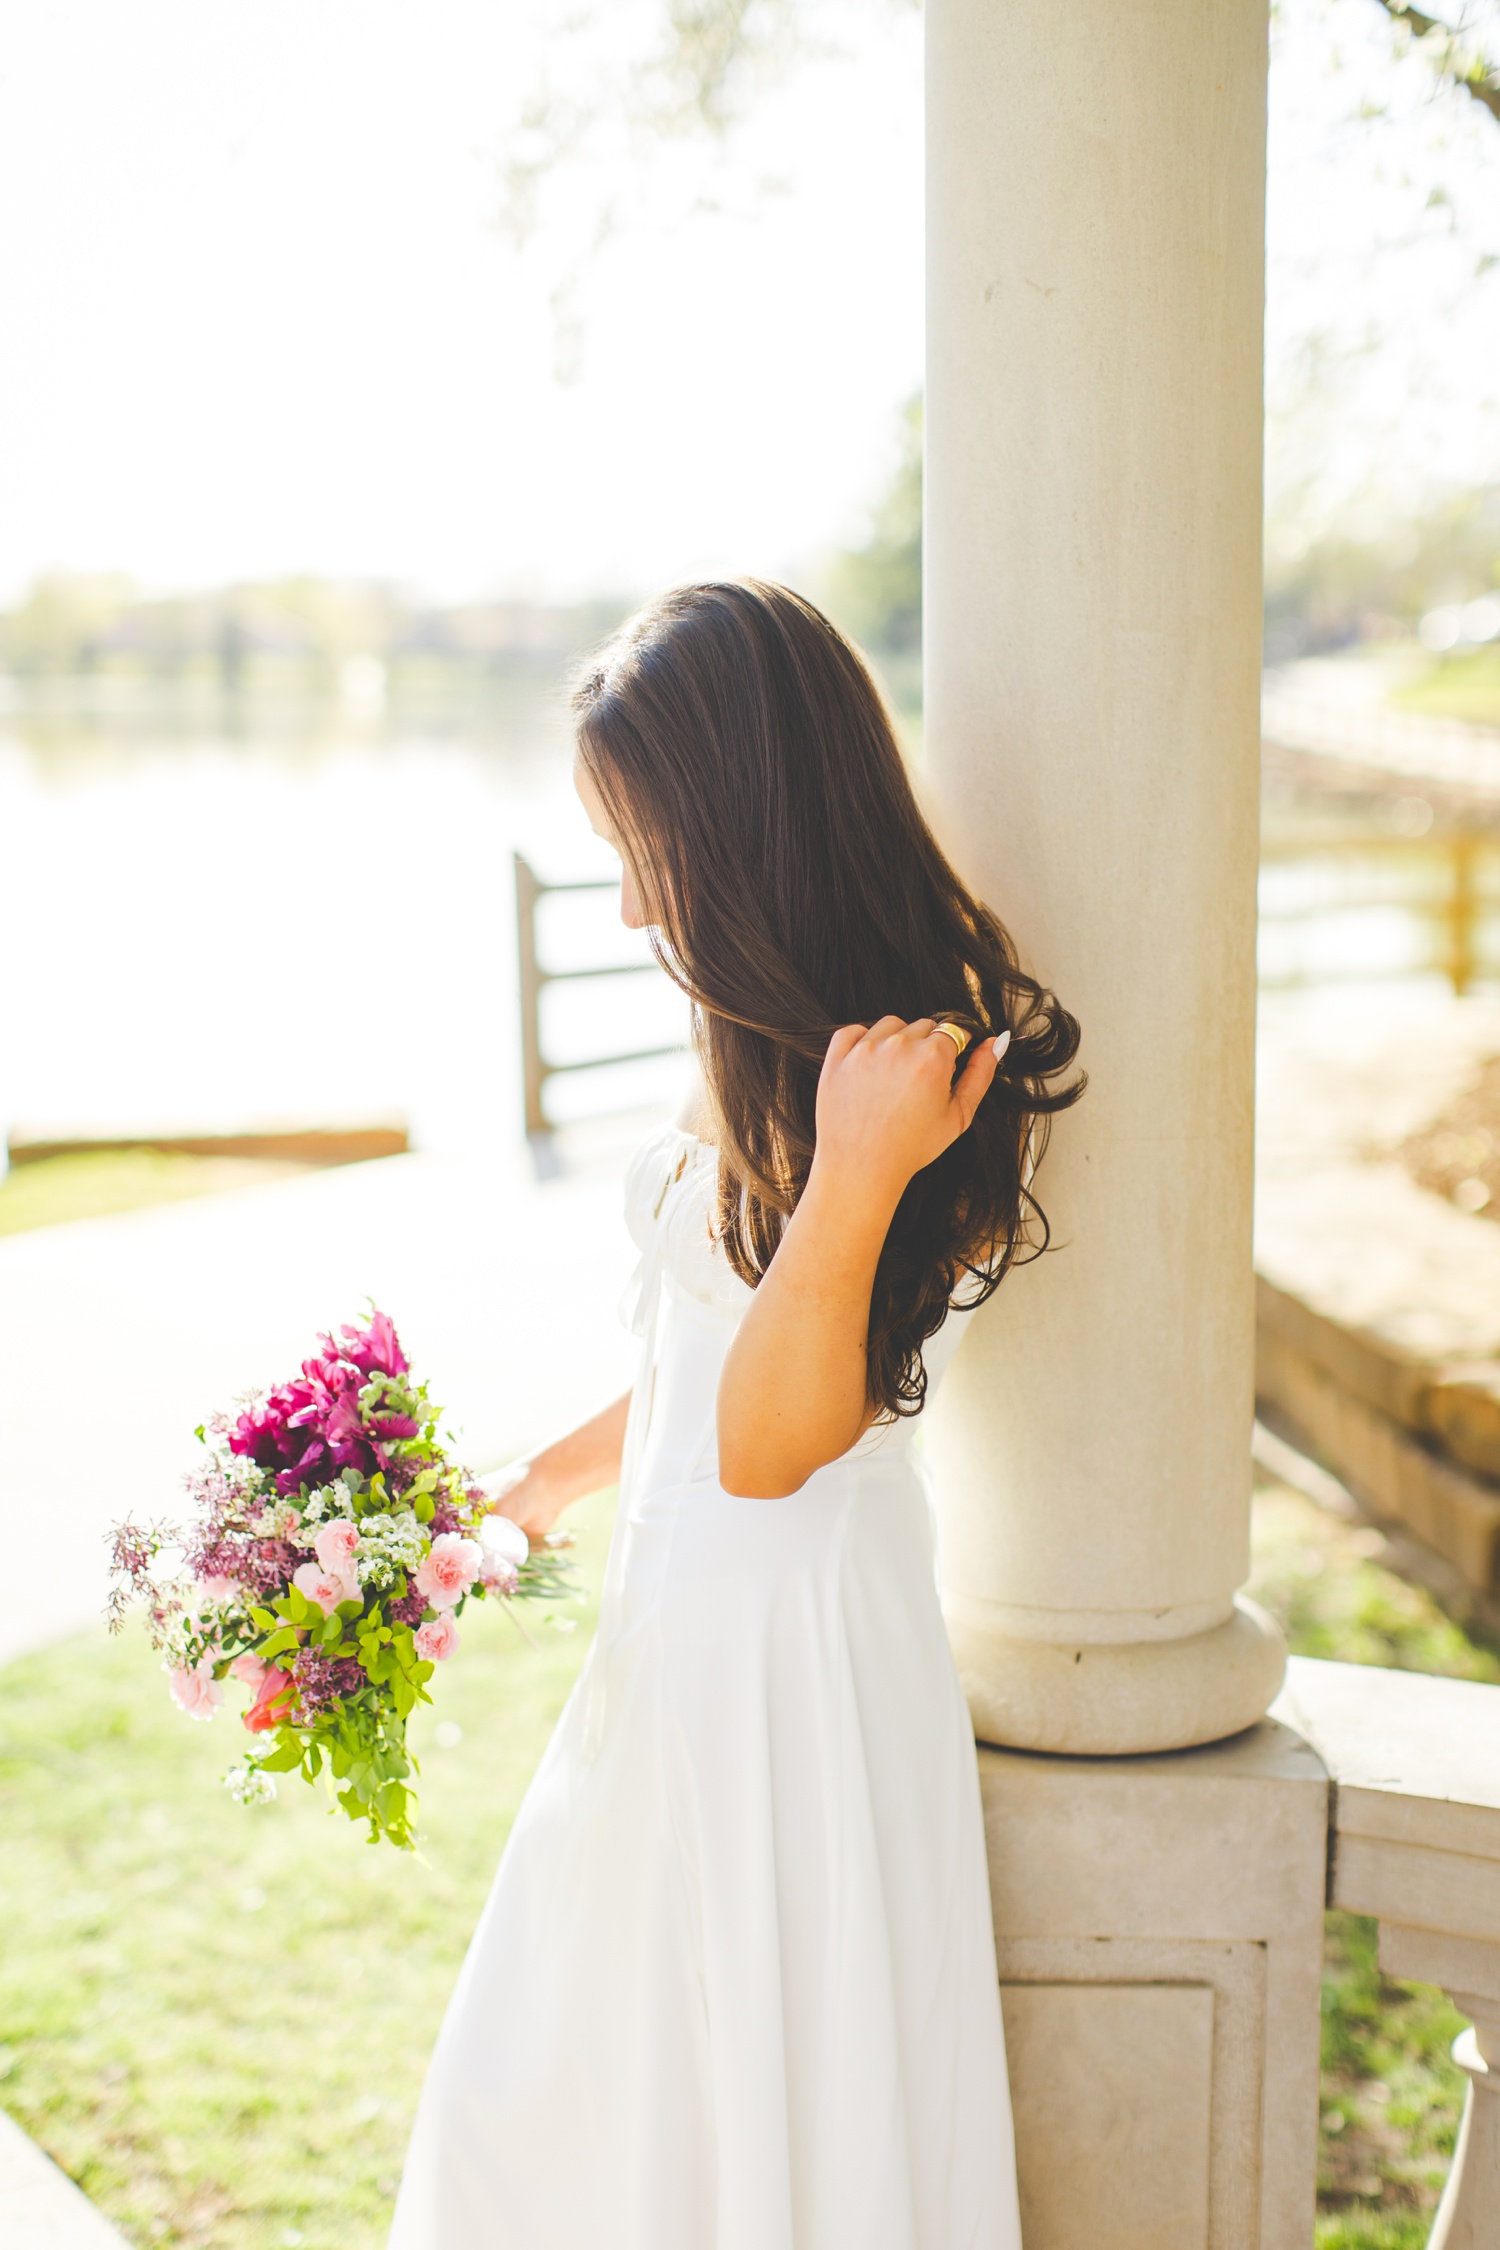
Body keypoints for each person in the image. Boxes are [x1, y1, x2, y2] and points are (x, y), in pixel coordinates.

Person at [389, 580, 1082, 2250]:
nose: (630, 904)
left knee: (726, 2104)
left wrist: (856, 1181)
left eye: (649, 849)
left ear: (748, 816)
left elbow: (774, 1449)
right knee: (568, 2100)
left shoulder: (924, 1080)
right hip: (676, 1625)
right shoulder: (777, 1031)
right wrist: (543, 1480)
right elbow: (709, 1350)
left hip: (789, 1661)